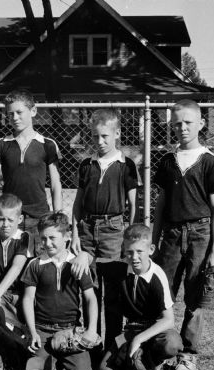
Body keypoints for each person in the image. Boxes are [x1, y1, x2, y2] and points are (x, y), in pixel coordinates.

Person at [152, 99, 214, 370]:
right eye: (177, 123)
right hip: (170, 234)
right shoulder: (167, 161)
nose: (182, 128)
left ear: (201, 124)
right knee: (163, 294)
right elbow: (160, 205)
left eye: (188, 123)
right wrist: (153, 240)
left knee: (195, 298)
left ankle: (188, 355)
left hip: (200, 234)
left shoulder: (209, 161)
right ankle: (160, 350)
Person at [70, 109, 140, 351]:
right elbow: (78, 203)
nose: (99, 142)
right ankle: (92, 342)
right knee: (90, 290)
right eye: (95, 136)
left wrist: (129, 235)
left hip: (114, 230)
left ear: (117, 134)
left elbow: (134, 204)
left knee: (112, 293)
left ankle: (111, 347)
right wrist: (75, 234)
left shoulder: (125, 165)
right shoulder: (87, 166)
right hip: (87, 230)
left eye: (105, 137)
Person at [97, 224, 183, 370]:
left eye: (139, 252)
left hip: (155, 329)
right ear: (123, 249)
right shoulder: (121, 269)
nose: (134, 257)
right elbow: (96, 262)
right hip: (132, 328)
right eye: (129, 252)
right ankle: (139, 360)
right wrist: (84, 256)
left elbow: (168, 320)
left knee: (172, 344)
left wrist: (139, 339)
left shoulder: (157, 276)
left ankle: (155, 361)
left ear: (151, 249)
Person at [21, 212, 98, 370]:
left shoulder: (77, 264)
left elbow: (91, 298)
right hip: (42, 329)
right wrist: (32, 331)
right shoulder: (35, 264)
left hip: (69, 330)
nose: (47, 243)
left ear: (67, 236)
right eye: (43, 238)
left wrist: (91, 330)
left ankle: (60, 359)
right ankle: (50, 359)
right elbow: (27, 299)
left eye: (52, 238)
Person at [0, 89, 62, 253]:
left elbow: (56, 184)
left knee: (38, 263)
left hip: (40, 216)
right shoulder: (0, 145)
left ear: (33, 111)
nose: (14, 118)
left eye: (19, 112)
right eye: (10, 113)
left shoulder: (48, 144)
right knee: (10, 264)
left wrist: (58, 215)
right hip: (9, 217)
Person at [0, 193, 33, 322]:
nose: (5, 224)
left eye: (10, 220)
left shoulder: (25, 237)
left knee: (17, 329)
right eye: (1, 219)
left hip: (23, 294)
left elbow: (17, 266)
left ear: (20, 219)